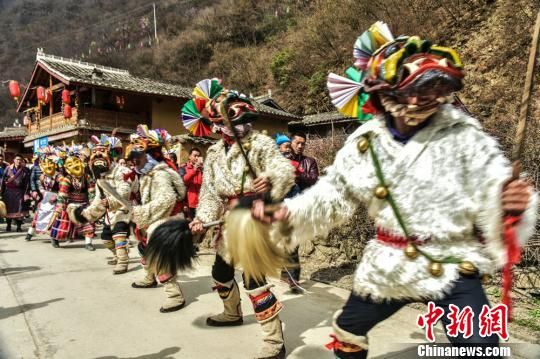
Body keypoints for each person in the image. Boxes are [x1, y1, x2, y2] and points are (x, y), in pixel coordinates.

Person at [253, 23, 537, 359]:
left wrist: (510, 206)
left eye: (430, 89)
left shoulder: (465, 135)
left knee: (481, 350)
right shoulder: (364, 144)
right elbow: (333, 194)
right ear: (384, 95)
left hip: (452, 260)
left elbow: (496, 188)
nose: (422, 100)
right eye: (411, 91)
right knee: (347, 333)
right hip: (390, 262)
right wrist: (290, 212)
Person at [188, 84, 295, 359]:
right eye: (230, 124)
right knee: (221, 274)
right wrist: (201, 219)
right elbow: (210, 193)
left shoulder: (261, 143)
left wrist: (270, 179)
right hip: (227, 221)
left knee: (254, 280)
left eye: (243, 122)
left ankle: (274, 341)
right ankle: (231, 312)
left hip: (255, 216)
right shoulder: (212, 153)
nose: (239, 129)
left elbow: (283, 169)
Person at [128, 125, 187, 313]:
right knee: (144, 246)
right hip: (155, 217)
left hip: (167, 220)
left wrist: (143, 212)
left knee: (157, 251)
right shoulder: (148, 174)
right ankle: (149, 277)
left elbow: (167, 199)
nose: (135, 161)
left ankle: (174, 295)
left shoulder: (160, 174)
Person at [68, 134, 137, 274]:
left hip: (124, 209)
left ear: (111, 154)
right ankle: (117, 255)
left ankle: (123, 262)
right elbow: (99, 198)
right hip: (109, 212)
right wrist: (86, 214)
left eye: (102, 151)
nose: (98, 155)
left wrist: (110, 202)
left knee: (119, 235)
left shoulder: (123, 171)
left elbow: (124, 192)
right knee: (106, 239)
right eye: (95, 152)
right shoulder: (100, 175)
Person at [50, 145, 96, 250]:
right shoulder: (67, 180)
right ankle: (55, 238)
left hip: (84, 204)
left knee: (88, 223)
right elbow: (62, 195)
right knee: (63, 224)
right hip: (69, 205)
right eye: (70, 164)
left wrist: (94, 206)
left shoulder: (87, 177)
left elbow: (91, 192)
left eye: (76, 161)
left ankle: (88, 243)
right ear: (67, 168)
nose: (75, 165)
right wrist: (59, 208)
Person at [26, 146, 61, 241]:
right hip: (45, 197)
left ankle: (54, 237)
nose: (48, 165)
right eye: (45, 162)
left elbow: (63, 189)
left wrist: (57, 197)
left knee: (55, 217)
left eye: (50, 162)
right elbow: (39, 185)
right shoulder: (42, 176)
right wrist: (39, 192)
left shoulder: (59, 176)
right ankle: (30, 233)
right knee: (39, 215)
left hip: (56, 198)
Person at [0, 154, 31, 232]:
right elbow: (3, 181)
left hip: (20, 192)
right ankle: (8, 225)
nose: (18, 161)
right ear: (14, 160)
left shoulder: (25, 170)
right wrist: (1, 192)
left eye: (20, 159)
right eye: (17, 159)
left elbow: (27, 183)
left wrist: (26, 193)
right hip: (8, 192)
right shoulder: (8, 168)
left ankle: (19, 226)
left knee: (19, 209)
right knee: (8, 210)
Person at [179, 148, 203, 221]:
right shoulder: (183, 168)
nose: (196, 158)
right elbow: (183, 182)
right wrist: (194, 170)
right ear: (189, 156)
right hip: (188, 204)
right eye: (195, 156)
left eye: (198, 156)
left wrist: (203, 170)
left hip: (201, 203)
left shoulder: (201, 170)